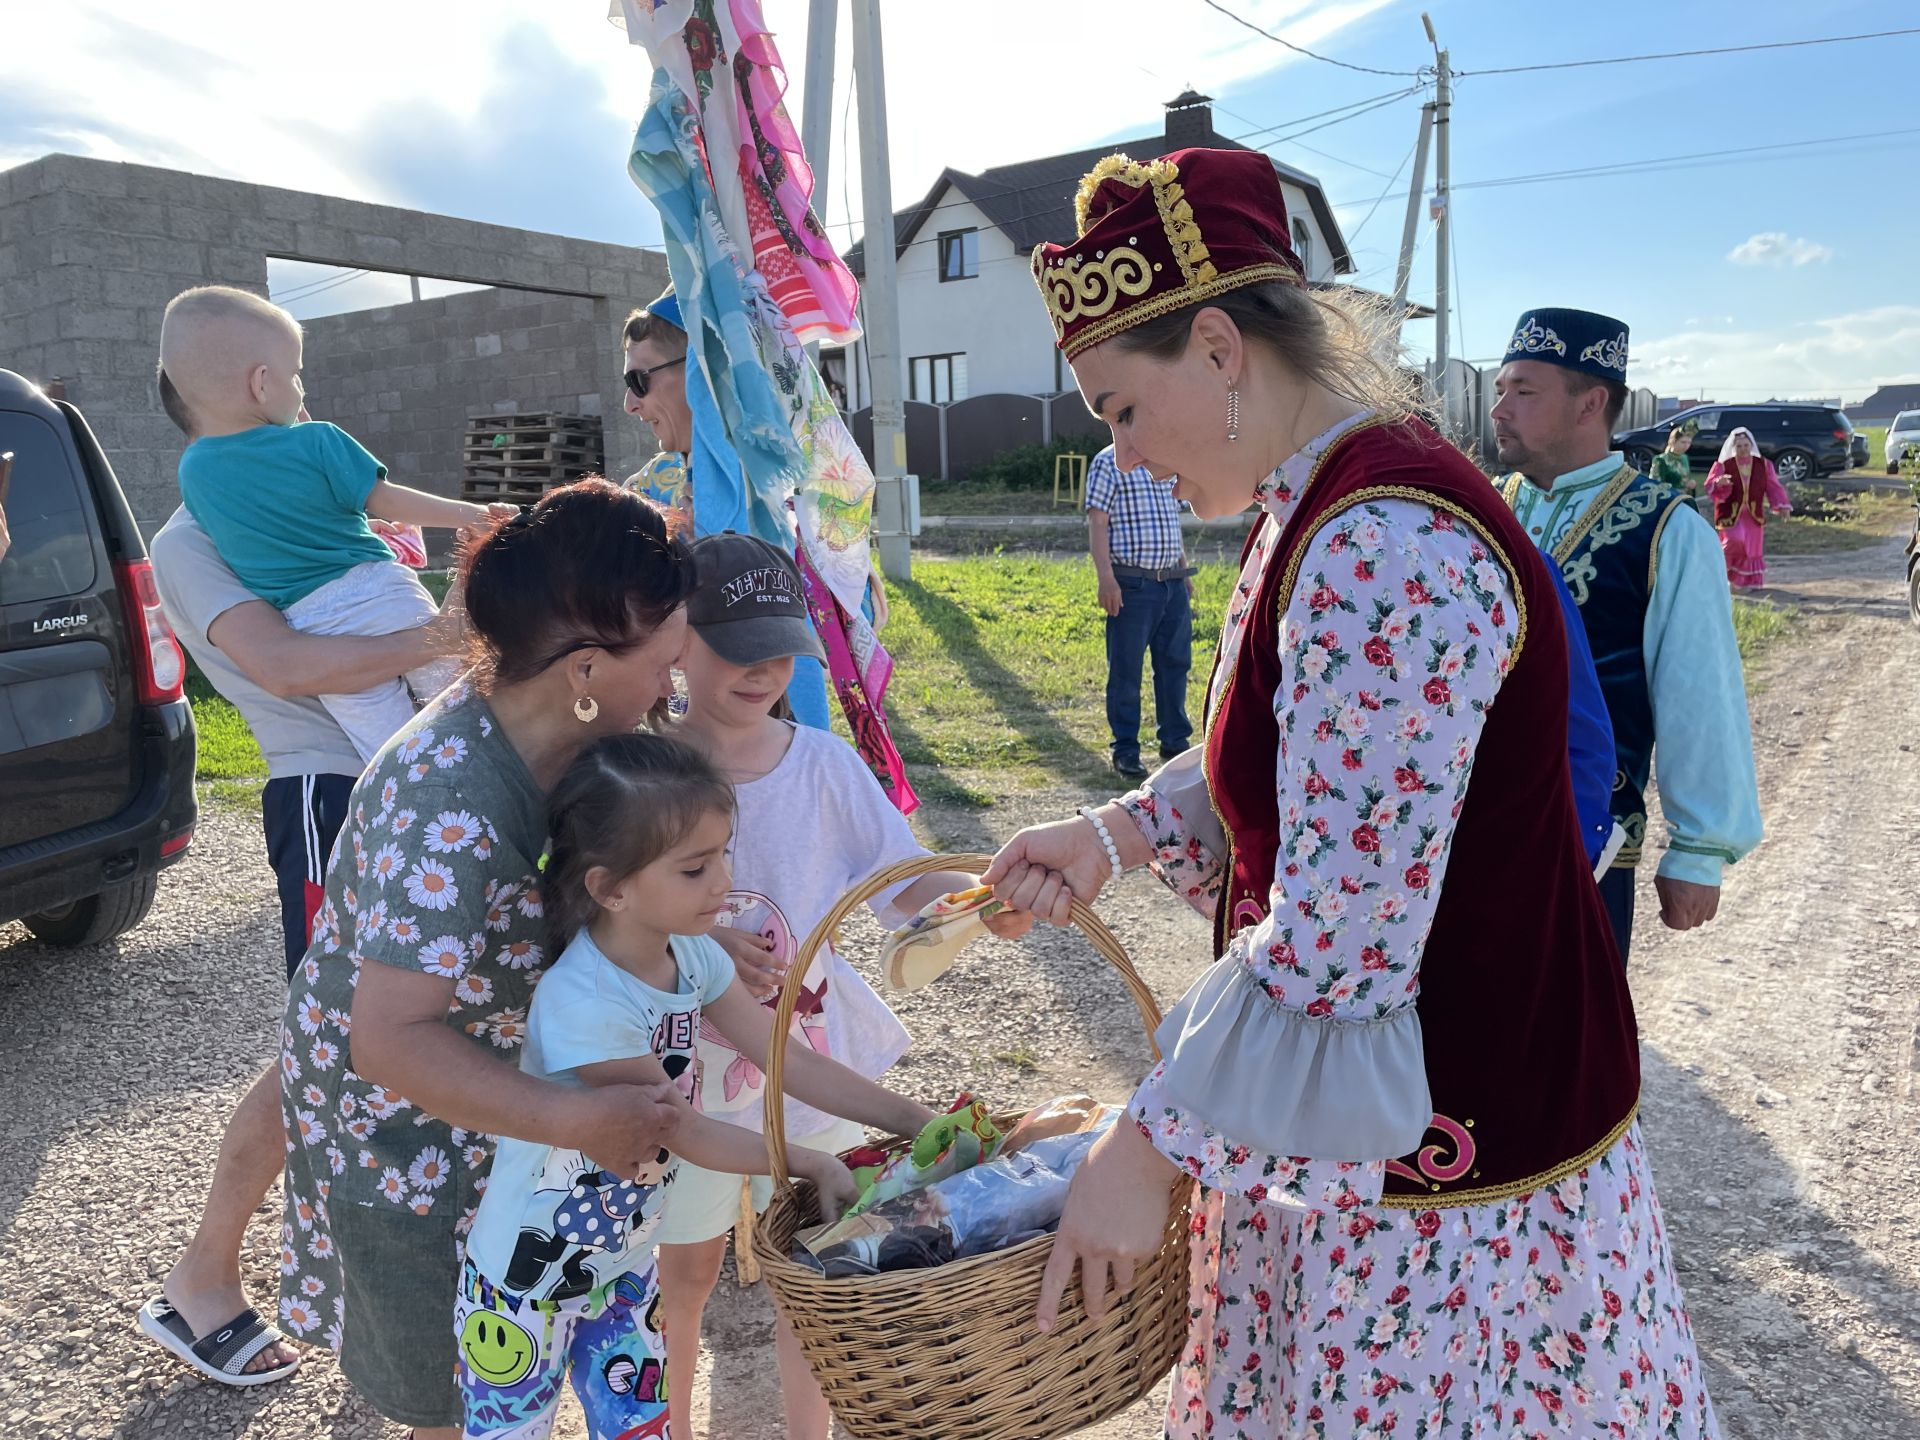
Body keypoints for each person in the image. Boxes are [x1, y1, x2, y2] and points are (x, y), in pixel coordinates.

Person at [990, 147, 1718, 1439]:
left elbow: (1342, 944)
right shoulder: (1321, 500)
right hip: (1379, 1135)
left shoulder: (1382, 540)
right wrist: (1119, 833)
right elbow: (1302, 757)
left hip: (1452, 1181)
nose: (1122, 453)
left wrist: (1143, 1153)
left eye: (1116, 409)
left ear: (1219, 349)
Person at [276, 479, 694, 1438]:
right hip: (404, 1136)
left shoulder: (546, 723)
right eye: (663, 665)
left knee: (514, 1355)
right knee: (455, 1400)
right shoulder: (451, 806)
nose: (672, 690)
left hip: (489, 1107)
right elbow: (387, 1041)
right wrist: (576, 1118)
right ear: (583, 669)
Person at [652, 532, 1028, 1440]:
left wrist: (981, 903)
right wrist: (688, 938)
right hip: (684, 1080)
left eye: (781, 648)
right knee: (683, 1275)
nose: (762, 669)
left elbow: (904, 883)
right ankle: (664, 1424)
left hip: (811, 1064)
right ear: (675, 638)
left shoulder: (822, 763)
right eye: (737, 648)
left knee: (817, 1269)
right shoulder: (644, 765)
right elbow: (606, 909)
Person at [457, 731, 932, 1440]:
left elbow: (788, 1058)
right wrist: (805, 1159)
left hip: (623, 1269)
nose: (722, 883)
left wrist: (918, 1120)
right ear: (610, 888)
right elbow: (678, 1128)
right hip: (524, 1287)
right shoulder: (587, 1002)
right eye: (693, 869)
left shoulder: (693, 955)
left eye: (723, 854)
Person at [138, 509, 465, 1385]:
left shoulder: (326, 495)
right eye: (283, 372)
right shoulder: (194, 539)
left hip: (418, 792)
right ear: (249, 381)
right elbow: (289, 667)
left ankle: (393, 1298)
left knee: (407, 1049)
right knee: (324, 1053)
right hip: (335, 796)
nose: (298, 394)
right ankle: (201, 1278)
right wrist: (445, 631)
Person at [1491, 307, 1762, 959]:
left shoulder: (1666, 530)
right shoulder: (1479, 509)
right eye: (1500, 390)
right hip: (1451, 844)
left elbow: (1699, 695)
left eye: (1524, 391)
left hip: (1586, 852)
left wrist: (1698, 849)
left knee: (1564, 1048)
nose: (1500, 409)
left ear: (1591, 404)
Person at [159, 285, 512, 762]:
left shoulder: (194, 475)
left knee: (388, 749)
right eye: (297, 375)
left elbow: (261, 540)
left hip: (311, 625)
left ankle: (416, 808)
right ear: (262, 383)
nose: (301, 389)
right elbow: (386, 500)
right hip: (380, 591)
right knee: (458, 701)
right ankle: (493, 779)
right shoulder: (317, 440)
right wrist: (469, 513)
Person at [1086, 443, 1193, 780]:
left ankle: (1175, 741)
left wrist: (1183, 570)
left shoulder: (1162, 458)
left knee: (1175, 664)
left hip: (1171, 584)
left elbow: (1169, 520)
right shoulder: (1108, 462)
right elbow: (1097, 523)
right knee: (1126, 670)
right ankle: (1126, 749)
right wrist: (1106, 579)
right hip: (1132, 584)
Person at [1705, 426, 1792, 588]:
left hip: (1753, 514)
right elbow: (1709, 485)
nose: (1743, 449)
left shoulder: (1763, 465)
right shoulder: (1724, 465)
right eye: (1739, 446)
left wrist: (1783, 505)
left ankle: (1748, 582)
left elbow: (1773, 487)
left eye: (1746, 445)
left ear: (1751, 445)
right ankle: (1725, 576)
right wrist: (1718, 483)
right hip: (1730, 513)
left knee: (1752, 549)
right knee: (1733, 541)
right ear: (1733, 447)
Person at [1650, 422, 1697, 497]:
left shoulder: (1684, 458)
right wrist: (1677, 491)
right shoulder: (1660, 459)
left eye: (1689, 442)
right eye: (1683, 442)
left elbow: (1684, 478)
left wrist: (1690, 485)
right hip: (1668, 499)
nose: (1686, 446)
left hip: (1683, 499)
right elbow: (1655, 484)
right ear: (1673, 441)